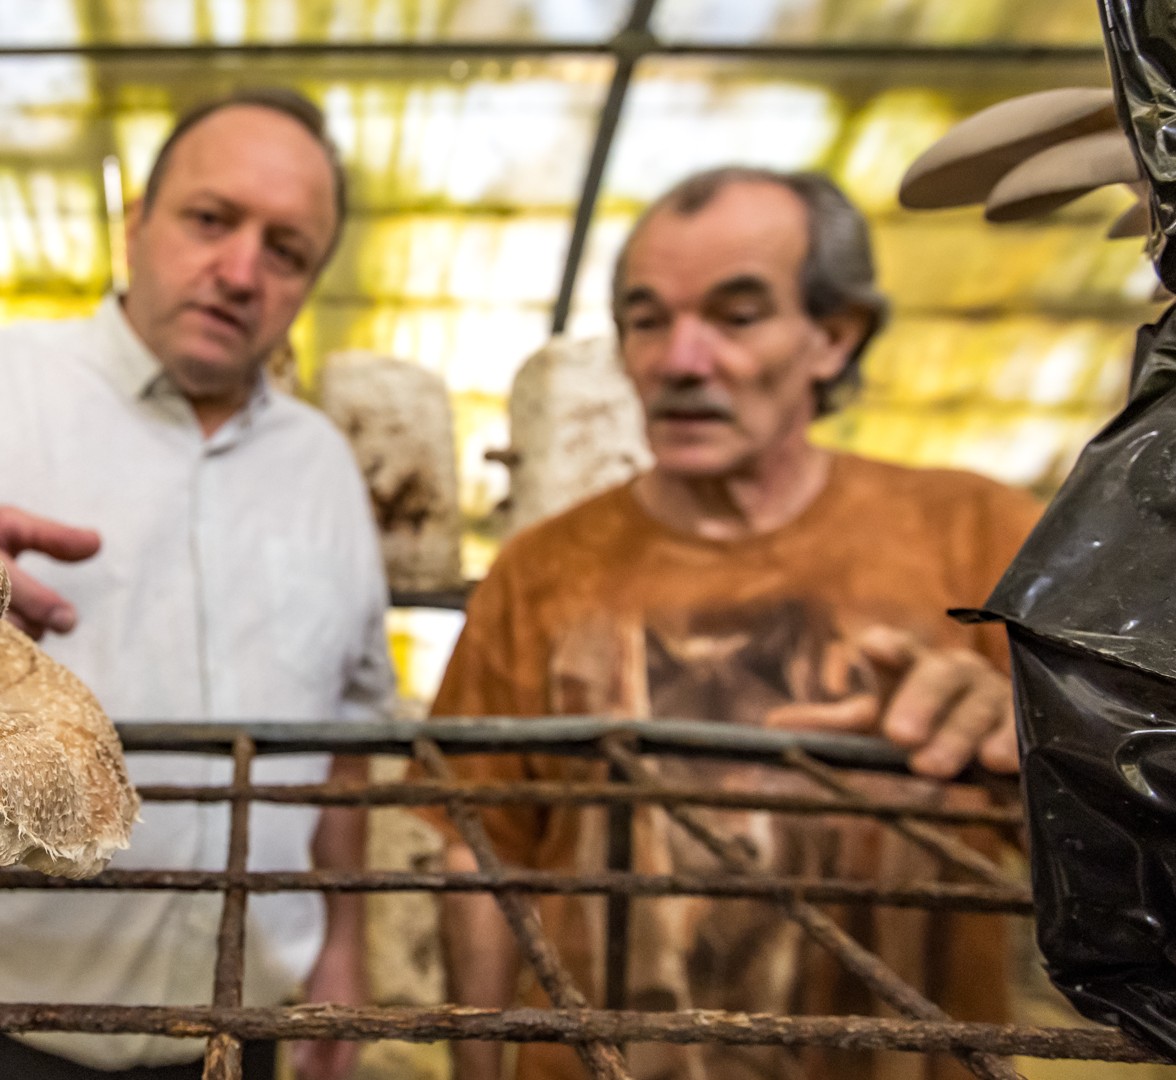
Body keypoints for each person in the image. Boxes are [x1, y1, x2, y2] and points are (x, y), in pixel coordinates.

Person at [426, 167, 1039, 1080]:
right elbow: (482, 859)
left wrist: (1033, 748)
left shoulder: (981, 537)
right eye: (646, 320)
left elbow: (1124, 863)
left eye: (737, 316)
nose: (681, 360)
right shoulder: (540, 570)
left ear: (833, 336)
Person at [0, 88, 394, 1080]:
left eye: (286, 251)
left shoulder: (325, 466)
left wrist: (344, 946)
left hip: (236, 1030)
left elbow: (344, 743)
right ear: (134, 224)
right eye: (210, 219)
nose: (240, 272)